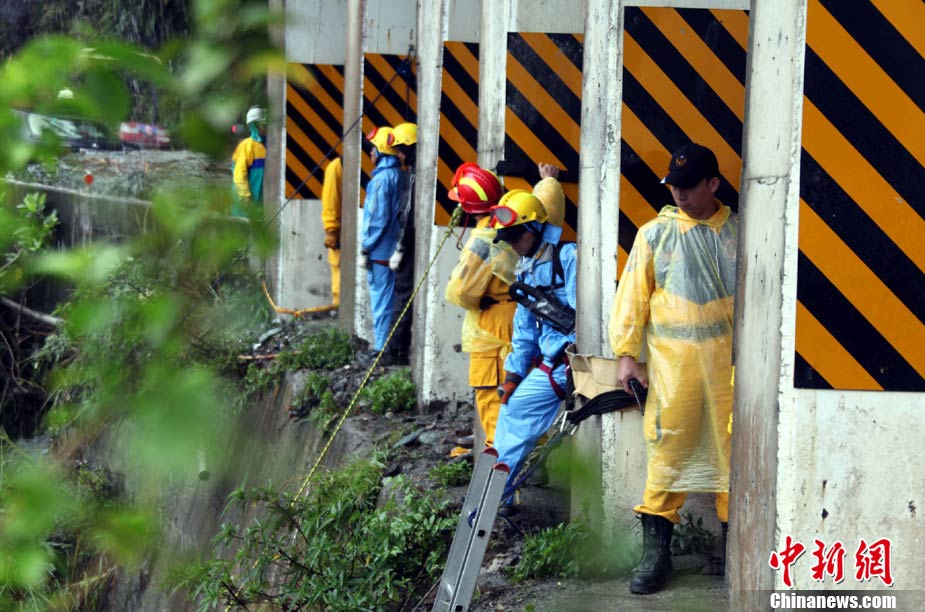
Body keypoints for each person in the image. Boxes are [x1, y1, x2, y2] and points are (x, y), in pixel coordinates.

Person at [608, 142, 737, 594]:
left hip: (729, 369)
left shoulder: (738, 233)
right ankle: (655, 555)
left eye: (688, 186)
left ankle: (735, 548)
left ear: (713, 184)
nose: (679, 194)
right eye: (673, 186)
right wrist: (627, 355)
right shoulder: (655, 235)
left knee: (732, 452)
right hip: (673, 368)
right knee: (668, 450)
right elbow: (632, 299)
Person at [488, 163, 571, 514]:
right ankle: (496, 495)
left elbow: (590, 318)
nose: (513, 244)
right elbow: (524, 333)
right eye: (507, 239)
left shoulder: (568, 258)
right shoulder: (527, 270)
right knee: (509, 410)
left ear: (536, 228)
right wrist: (513, 375)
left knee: (518, 416)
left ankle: (495, 499)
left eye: (516, 236)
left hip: (569, 365)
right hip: (550, 365)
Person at [444, 163, 517, 450]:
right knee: (519, 397)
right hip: (516, 316)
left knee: (492, 397)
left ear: (468, 208)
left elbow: (460, 291)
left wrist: (476, 301)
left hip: (493, 322)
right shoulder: (509, 223)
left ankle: (501, 464)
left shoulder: (483, 240)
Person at [357, 127, 403, 367]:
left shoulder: (381, 180)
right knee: (391, 299)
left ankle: (381, 349)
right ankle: (387, 347)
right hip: (394, 248)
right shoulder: (400, 176)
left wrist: (366, 246)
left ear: (382, 151)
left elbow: (376, 218)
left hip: (380, 251)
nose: (371, 154)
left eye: (373, 149)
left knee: (381, 301)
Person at [384, 122, 418, 364]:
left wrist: (401, 247)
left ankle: (395, 350)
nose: (400, 156)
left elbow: (408, 216)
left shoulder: (416, 177)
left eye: (401, 151)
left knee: (403, 295)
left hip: (410, 247)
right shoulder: (411, 175)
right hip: (409, 245)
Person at [231, 105, 267, 217]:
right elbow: (239, 175)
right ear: (254, 125)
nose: (266, 127)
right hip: (245, 206)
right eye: (263, 125)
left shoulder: (270, 145)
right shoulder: (247, 146)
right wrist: (245, 197)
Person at [321, 156, 343, 306]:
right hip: (341, 233)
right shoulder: (336, 168)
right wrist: (331, 231)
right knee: (340, 270)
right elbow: (330, 201)